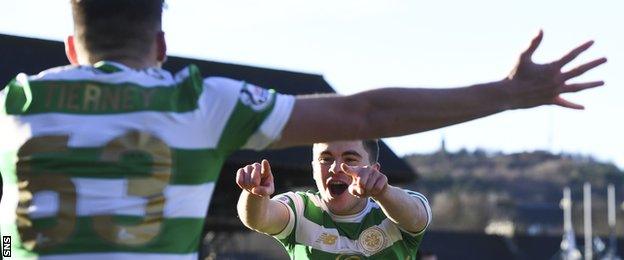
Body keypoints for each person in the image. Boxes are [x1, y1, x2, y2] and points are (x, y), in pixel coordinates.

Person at [0, 0, 606, 259]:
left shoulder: (14, 104)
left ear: (72, 47)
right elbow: (366, 112)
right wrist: (506, 94)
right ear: (161, 46)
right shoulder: (199, 102)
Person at [236, 140, 431, 259]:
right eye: (325, 159)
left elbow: (416, 217)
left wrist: (382, 191)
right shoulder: (301, 210)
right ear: (313, 169)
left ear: (374, 170)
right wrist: (255, 193)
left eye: (350, 159)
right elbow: (259, 218)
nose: (335, 168)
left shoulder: (394, 208)